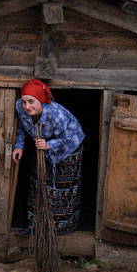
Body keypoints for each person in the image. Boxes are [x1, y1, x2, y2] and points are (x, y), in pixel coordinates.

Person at [12, 78, 85, 235]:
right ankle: (36, 226)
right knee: (38, 185)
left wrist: (49, 145)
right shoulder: (20, 107)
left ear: (41, 100)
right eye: (24, 102)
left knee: (60, 188)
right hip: (43, 147)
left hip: (69, 149)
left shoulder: (56, 114)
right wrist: (19, 146)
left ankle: (60, 228)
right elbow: (22, 126)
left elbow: (70, 136)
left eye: (31, 102)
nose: (27, 107)